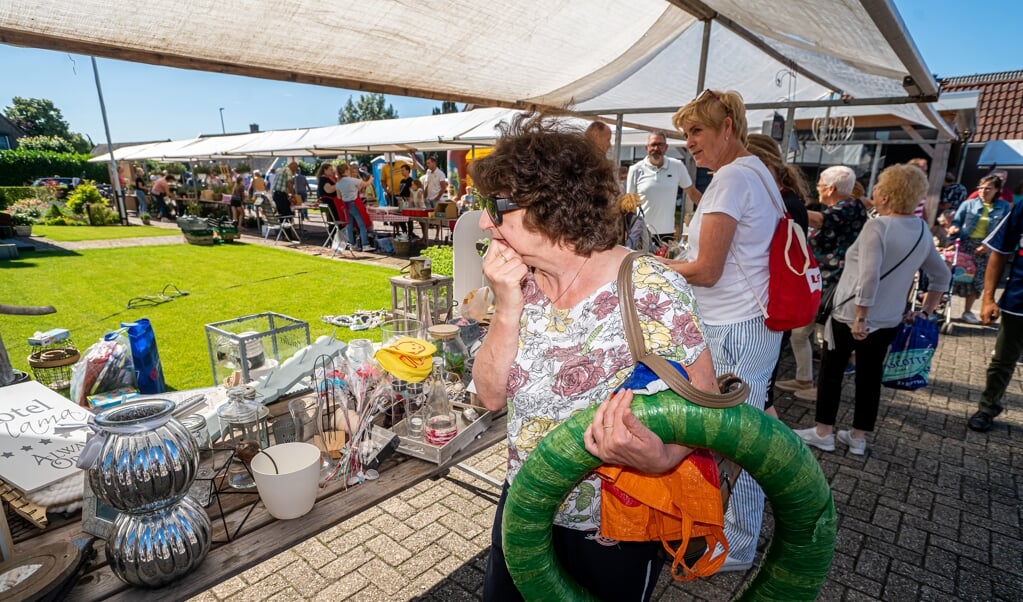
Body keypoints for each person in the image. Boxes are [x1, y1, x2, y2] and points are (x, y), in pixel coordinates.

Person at [472, 114, 717, 601]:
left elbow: (707, 402)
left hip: (613, 523)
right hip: (524, 504)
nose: (483, 221)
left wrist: (662, 456)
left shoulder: (649, 287)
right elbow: (490, 396)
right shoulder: (519, 279)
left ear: (551, 206)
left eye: (494, 206)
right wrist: (506, 307)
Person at [663, 89, 781, 572]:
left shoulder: (732, 177)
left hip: (734, 327)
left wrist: (657, 266)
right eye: (685, 133)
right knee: (731, 433)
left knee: (745, 438)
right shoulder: (756, 172)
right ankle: (722, 528)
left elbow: (708, 269)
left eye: (697, 130)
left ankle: (739, 542)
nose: (689, 142)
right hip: (744, 323)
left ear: (727, 126)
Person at [795, 164, 950, 456]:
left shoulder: (877, 226)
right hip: (889, 318)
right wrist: (925, 311)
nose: (874, 191)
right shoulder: (920, 229)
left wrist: (861, 317)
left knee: (832, 372)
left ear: (888, 196)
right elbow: (941, 275)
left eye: (878, 186)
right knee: (870, 378)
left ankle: (823, 432)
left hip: (850, 316)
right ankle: (858, 437)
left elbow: (869, 275)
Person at [790, 166, 869, 402]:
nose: (817, 190)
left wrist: (785, 206)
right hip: (824, 284)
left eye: (820, 185)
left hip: (833, 287)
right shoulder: (853, 206)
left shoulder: (846, 207)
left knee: (823, 338)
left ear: (831, 188)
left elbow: (819, 220)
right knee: (803, 333)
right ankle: (804, 378)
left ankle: (820, 387)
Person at [746, 134, 810, 417]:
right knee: (762, 391)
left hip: (772, 306)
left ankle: (777, 456)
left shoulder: (783, 204)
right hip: (773, 304)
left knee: (761, 393)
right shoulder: (785, 200)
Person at [966, 197, 1023, 432]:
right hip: (1018, 301)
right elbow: (999, 251)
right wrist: (988, 298)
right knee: (1002, 360)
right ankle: (988, 407)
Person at [950, 176, 1011, 324]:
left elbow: (1003, 229)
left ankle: (967, 311)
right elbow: (956, 221)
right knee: (957, 277)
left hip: (987, 247)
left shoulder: (1003, 207)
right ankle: (942, 309)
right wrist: (953, 228)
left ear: (997, 190)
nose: (983, 191)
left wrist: (987, 245)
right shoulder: (968, 204)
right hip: (966, 244)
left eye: (988, 188)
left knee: (977, 280)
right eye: (981, 188)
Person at [626, 131, 701, 243]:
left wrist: (709, 210)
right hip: (642, 233)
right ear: (646, 147)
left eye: (660, 145)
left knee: (666, 261)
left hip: (667, 235)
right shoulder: (635, 169)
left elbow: (692, 192)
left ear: (666, 147)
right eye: (653, 144)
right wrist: (626, 231)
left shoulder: (677, 166)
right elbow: (629, 205)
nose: (656, 148)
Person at [338, 163, 372, 251]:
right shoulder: (352, 180)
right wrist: (371, 178)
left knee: (349, 225)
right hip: (354, 204)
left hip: (346, 205)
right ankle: (365, 244)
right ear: (346, 171)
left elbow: (339, 197)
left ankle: (352, 244)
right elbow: (366, 183)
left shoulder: (339, 183)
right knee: (362, 224)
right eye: (349, 169)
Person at [270, 161, 301, 244]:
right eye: (295, 169)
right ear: (293, 167)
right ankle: (288, 236)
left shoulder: (281, 169)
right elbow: (289, 184)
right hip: (280, 195)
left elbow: (282, 185)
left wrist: (288, 196)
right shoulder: (288, 171)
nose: (295, 171)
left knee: (282, 215)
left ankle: (284, 235)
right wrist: (294, 196)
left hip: (276, 194)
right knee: (287, 215)